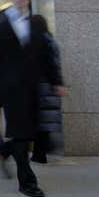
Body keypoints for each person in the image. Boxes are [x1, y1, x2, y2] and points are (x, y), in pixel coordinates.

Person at [0, 0, 66, 197]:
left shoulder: (38, 22)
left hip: (33, 86)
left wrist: (56, 81)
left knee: (32, 132)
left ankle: (3, 151)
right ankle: (27, 182)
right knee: (20, 132)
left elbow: (47, 54)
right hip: (11, 86)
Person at [30, 15, 64, 164]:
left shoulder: (37, 41)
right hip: (50, 87)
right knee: (44, 123)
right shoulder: (50, 40)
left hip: (41, 85)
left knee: (39, 122)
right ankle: (40, 153)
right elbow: (55, 64)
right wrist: (57, 82)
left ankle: (40, 153)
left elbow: (49, 64)